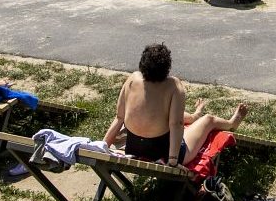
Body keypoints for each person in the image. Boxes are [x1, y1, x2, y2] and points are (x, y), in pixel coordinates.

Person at [104, 44, 248, 166]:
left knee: (164, 113)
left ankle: (193, 117)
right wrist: (173, 161)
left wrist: (103, 146)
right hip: (165, 153)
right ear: (167, 67)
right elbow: (176, 124)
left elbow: (119, 117)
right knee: (209, 119)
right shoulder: (173, 85)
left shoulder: (132, 79)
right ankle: (230, 124)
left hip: (134, 149)